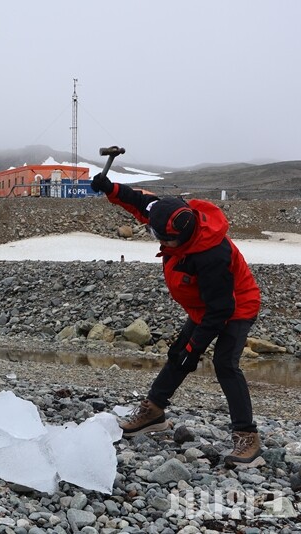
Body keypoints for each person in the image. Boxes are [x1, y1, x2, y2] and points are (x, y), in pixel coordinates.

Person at [91, 172, 262, 467]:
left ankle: (247, 436)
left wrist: (194, 348)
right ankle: (154, 412)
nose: (156, 241)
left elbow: (220, 309)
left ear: (179, 237)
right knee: (178, 355)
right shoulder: (167, 214)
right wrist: (111, 188)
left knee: (224, 363)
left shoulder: (211, 256)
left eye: (161, 239)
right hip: (203, 308)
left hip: (236, 306)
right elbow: (139, 201)